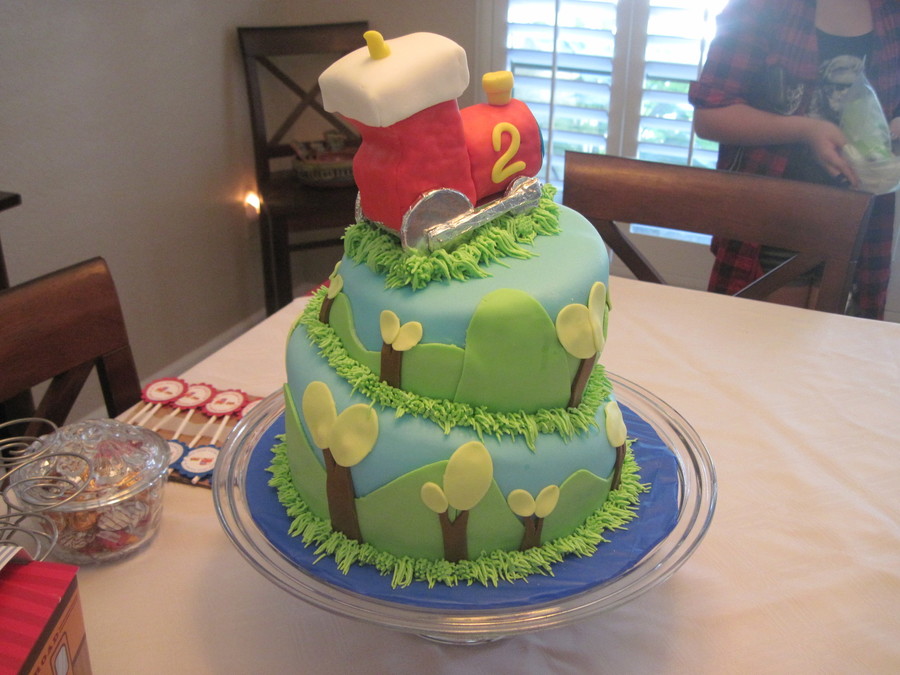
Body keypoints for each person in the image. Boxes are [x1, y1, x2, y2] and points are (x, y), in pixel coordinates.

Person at [689, 0, 900, 318]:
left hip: (863, 224)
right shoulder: (762, 8)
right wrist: (807, 130)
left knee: (838, 343)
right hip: (773, 223)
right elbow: (710, 117)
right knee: (763, 338)